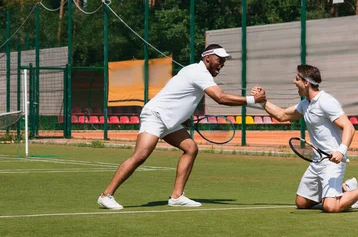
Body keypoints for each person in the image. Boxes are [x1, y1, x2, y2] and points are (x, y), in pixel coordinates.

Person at [97, 44, 266, 210]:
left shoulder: (192, 70)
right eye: (219, 60)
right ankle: (106, 196)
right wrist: (252, 100)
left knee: (190, 148)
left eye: (224, 61)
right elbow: (220, 97)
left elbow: (177, 93)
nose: (222, 64)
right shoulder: (199, 73)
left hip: (169, 120)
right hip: (156, 116)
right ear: (208, 58)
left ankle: (177, 197)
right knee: (140, 156)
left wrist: (182, 117)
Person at [254, 64, 358, 213]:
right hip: (317, 162)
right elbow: (282, 115)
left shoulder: (326, 102)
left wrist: (341, 151)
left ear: (306, 83)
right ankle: (346, 188)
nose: (294, 82)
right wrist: (262, 101)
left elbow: (349, 127)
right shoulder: (306, 104)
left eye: (297, 79)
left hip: (333, 162)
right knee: (301, 203)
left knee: (330, 207)